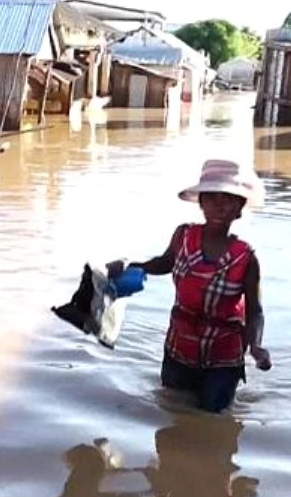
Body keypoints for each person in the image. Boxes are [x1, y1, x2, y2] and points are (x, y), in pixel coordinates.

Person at [113, 159, 272, 413]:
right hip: (179, 348)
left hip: (223, 357)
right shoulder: (184, 236)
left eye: (229, 199)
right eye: (212, 198)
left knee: (214, 419)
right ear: (201, 203)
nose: (220, 206)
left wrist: (256, 346)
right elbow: (164, 263)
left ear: (240, 208)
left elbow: (256, 311)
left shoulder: (246, 257)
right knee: (173, 414)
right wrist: (132, 265)